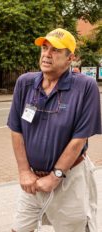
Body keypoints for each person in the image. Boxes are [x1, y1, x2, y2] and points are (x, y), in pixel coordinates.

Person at [7, 28, 101, 231]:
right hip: (33, 180)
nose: (47, 54)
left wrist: (55, 175)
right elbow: (16, 130)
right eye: (44, 47)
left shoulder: (85, 87)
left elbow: (79, 139)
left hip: (70, 180)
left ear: (70, 58)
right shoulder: (25, 83)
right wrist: (24, 171)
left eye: (56, 50)